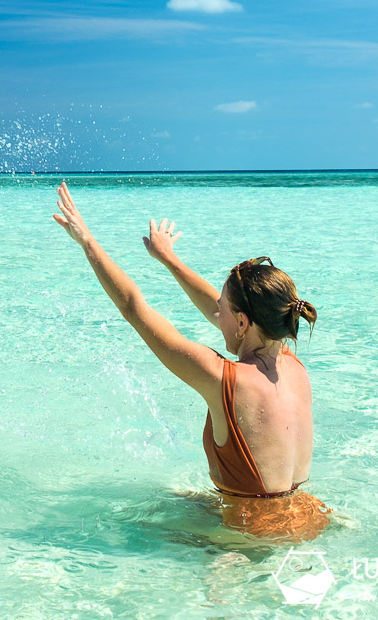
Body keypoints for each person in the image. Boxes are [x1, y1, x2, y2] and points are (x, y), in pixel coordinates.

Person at [53, 182, 329, 540]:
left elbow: (134, 309)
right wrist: (168, 259)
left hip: (249, 533)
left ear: (243, 323)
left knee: (117, 522)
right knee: (174, 499)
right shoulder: (292, 366)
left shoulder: (222, 377)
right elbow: (219, 309)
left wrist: (87, 241)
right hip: (305, 514)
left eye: (225, 311)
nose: (218, 314)